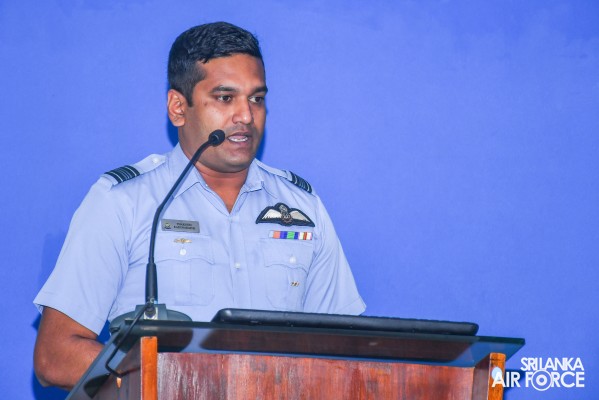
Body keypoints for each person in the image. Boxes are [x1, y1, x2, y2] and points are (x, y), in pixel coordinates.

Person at [33, 21, 365, 390]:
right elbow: (55, 355)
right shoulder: (125, 202)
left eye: (256, 99)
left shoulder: (303, 208)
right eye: (225, 98)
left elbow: (345, 354)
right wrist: (181, 385)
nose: (246, 116)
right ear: (178, 108)